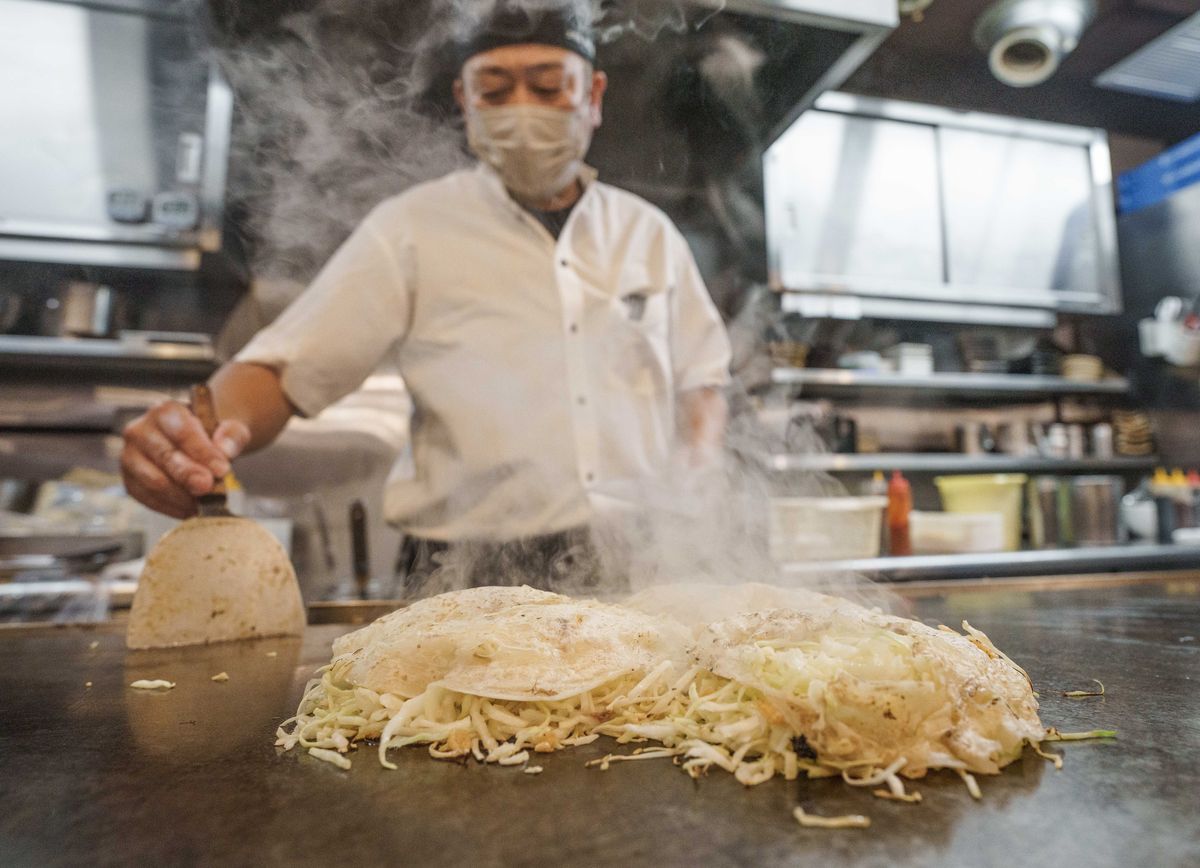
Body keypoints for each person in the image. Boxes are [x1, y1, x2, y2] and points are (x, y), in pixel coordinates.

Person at [120, 2, 732, 594]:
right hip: (469, 567)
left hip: (634, 557)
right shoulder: (412, 228)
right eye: (495, 90)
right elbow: (284, 371)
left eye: (549, 88)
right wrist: (193, 439)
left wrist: (693, 481)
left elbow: (700, 376)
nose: (522, 110)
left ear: (593, 96)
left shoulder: (646, 234)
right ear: (465, 100)